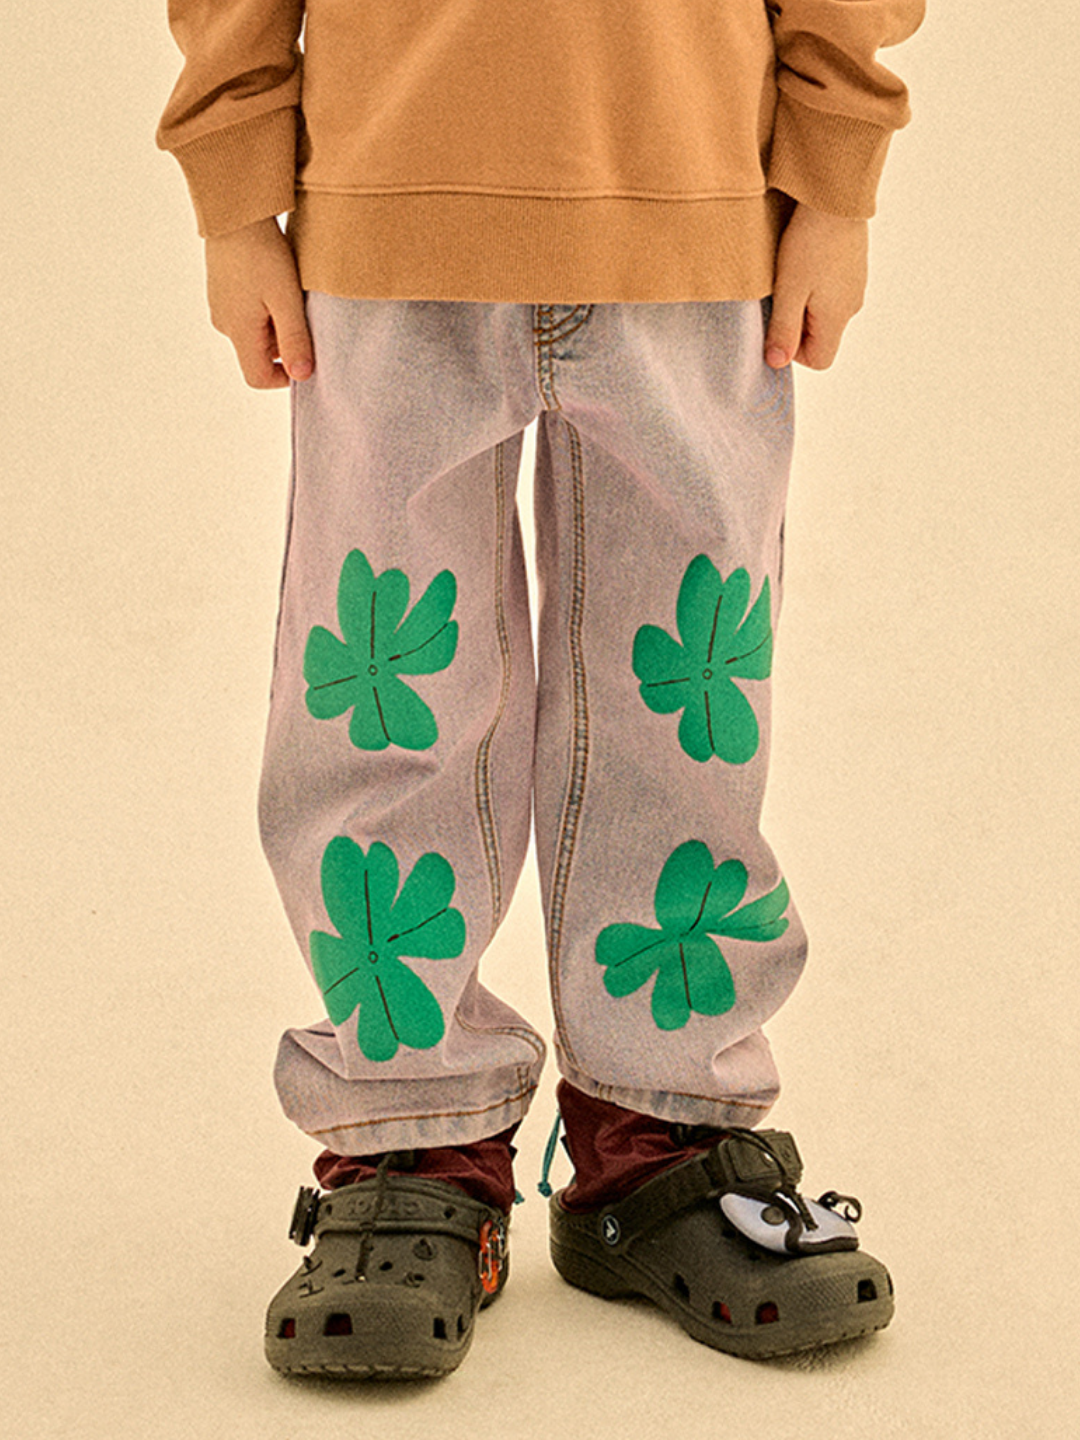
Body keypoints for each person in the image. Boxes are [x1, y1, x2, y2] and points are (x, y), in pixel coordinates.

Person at [158, 0, 925, 1376]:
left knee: (688, 706)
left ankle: (660, 1129)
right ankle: (410, 1128)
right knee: (383, 706)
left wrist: (836, 174)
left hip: (696, 225)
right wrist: (233, 199)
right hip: (382, 233)